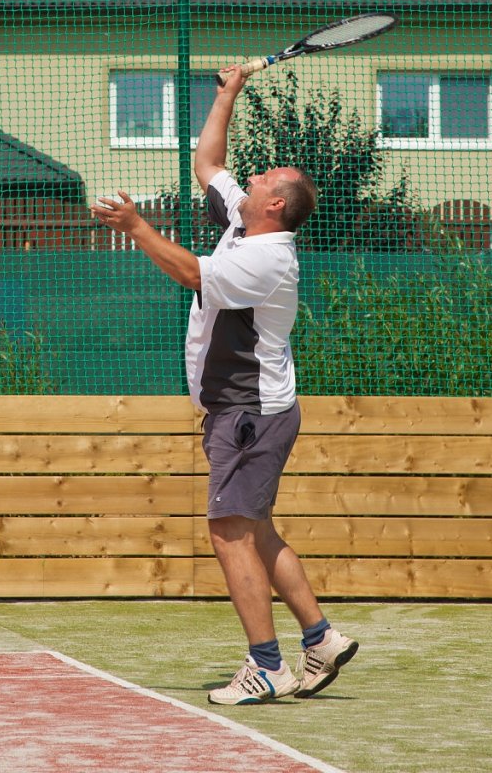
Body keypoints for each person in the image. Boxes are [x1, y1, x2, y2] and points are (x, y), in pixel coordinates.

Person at [91, 65, 358, 706]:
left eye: (263, 178)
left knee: (229, 531)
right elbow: (208, 162)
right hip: (249, 411)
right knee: (256, 529)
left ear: (276, 205)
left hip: (248, 413)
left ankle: (266, 666)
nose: (252, 176)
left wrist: (136, 228)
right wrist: (228, 92)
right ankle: (320, 638)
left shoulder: (268, 257)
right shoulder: (244, 223)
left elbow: (192, 273)